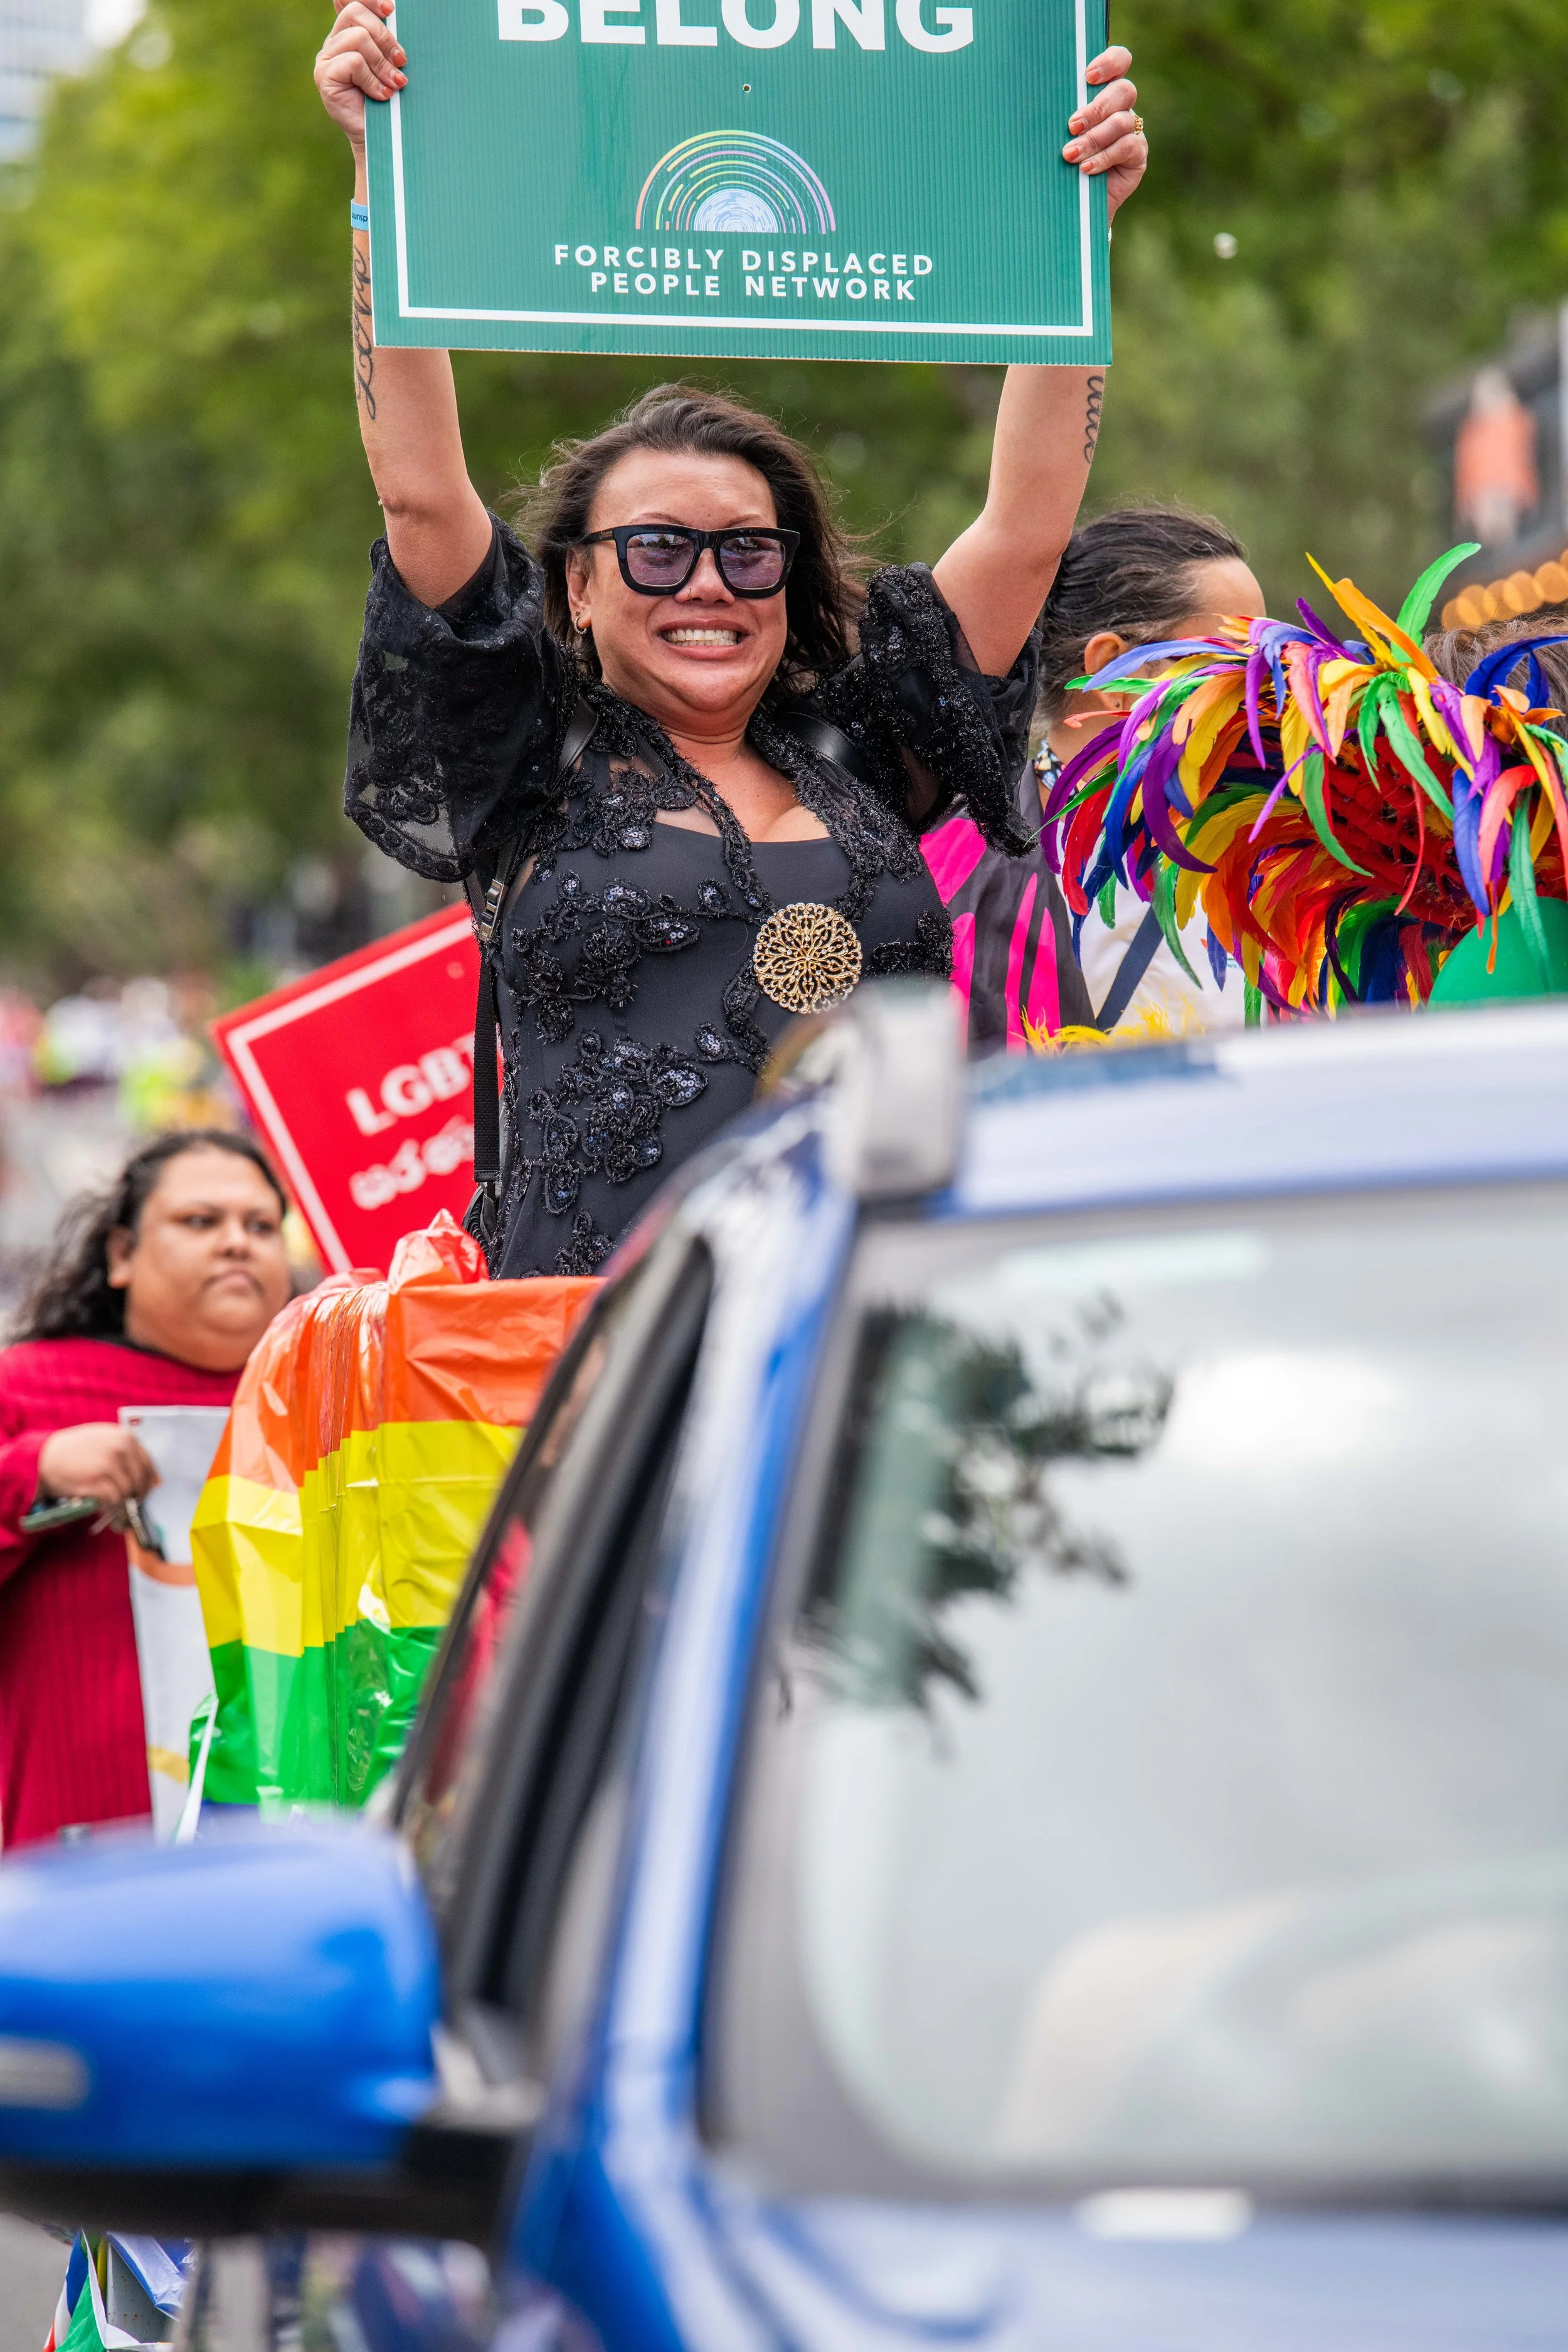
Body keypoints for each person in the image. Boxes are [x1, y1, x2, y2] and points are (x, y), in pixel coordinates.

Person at [312, 11, 1148, 1274]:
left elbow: (1026, 529)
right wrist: (387, 182)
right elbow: (422, 493)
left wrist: (1066, 230)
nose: (707, 585)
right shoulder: (526, 753)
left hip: (864, 1335)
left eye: (746, 552)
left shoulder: (867, 741)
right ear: (578, 588)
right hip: (589, 1353)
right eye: (656, 550)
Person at [0, 1131, 293, 1848]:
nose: (237, 1244)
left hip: (282, 1852)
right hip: (75, 1858)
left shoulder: (327, 1400)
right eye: (201, 1222)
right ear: (122, 1255)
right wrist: (30, 1476)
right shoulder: (28, 1387)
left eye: (261, 1226)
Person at [1039, 506, 1266, 1032]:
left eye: (1266, 665)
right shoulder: (970, 858)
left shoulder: (1266, 851)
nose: (1263, 694)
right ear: (1114, 672)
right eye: (1234, 665)